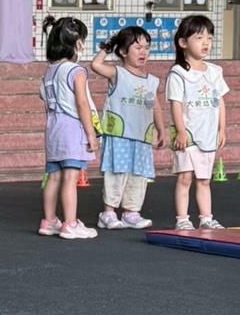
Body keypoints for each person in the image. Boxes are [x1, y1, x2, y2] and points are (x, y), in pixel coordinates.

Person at [91, 27, 166, 230]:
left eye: (147, 48)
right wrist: (108, 47)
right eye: (138, 47)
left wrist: (161, 129)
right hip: (119, 135)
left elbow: (155, 105)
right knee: (117, 172)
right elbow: (95, 65)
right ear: (123, 51)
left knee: (138, 175)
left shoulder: (151, 81)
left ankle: (131, 212)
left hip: (142, 136)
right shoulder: (117, 73)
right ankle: (108, 213)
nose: (143, 52)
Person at [38, 16, 100, 240]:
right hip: (72, 128)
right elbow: (82, 103)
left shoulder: (49, 71)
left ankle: (49, 221)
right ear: (77, 43)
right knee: (70, 178)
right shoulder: (76, 71)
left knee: (54, 177)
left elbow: (43, 97)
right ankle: (70, 223)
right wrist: (91, 134)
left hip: (53, 128)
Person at [167, 15, 228, 231]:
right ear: (183, 42)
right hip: (188, 135)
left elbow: (220, 101)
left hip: (208, 134)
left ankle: (206, 218)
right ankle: (182, 219)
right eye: (199, 37)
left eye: (209, 38)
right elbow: (175, 104)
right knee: (185, 177)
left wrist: (222, 129)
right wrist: (181, 131)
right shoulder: (178, 73)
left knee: (204, 179)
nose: (206, 42)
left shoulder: (215, 71)